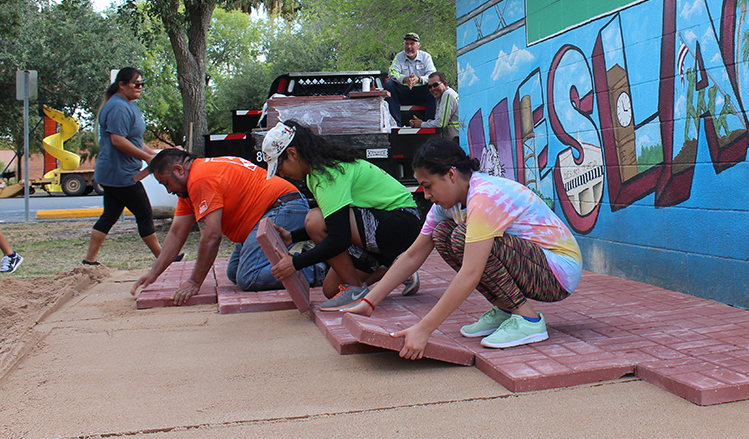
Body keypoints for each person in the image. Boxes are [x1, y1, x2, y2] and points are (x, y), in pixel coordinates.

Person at [344, 139, 583, 356]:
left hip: (557, 273)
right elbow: (412, 255)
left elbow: (471, 272)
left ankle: (528, 320)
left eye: (428, 186)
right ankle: (505, 309)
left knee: (461, 238)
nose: (426, 195)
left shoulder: (484, 196)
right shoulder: (447, 205)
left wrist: (423, 329)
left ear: (450, 175)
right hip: (533, 265)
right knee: (443, 234)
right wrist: (369, 302)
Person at [260, 121, 422, 308]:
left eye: (279, 167)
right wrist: (293, 236)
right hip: (382, 225)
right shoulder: (316, 174)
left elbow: (339, 238)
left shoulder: (328, 174)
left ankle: (355, 291)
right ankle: (399, 268)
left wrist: (296, 263)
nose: (281, 174)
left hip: (401, 222)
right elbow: (335, 220)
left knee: (313, 220)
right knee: (332, 290)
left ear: (292, 154)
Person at [129, 149, 324, 304]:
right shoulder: (189, 187)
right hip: (271, 211)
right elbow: (177, 232)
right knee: (235, 272)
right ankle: (302, 261)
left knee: (249, 277)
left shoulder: (200, 179)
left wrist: (195, 282)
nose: (169, 190)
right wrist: (154, 273)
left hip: (284, 208)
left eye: (166, 183)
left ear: (179, 170)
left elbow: (212, 236)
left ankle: (320, 267)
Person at [83, 68, 167, 266]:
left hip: (117, 173)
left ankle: (89, 260)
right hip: (120, 174)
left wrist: (153, 154)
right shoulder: (118, 108)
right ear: (121, 84)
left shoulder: (129, 105)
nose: (139, 88)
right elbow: (118, 141)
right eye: (135, 84)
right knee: (145, 213)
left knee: (110, 215)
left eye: (141, 84)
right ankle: (163, 259)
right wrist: (146, 157)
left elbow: (135, 140)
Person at [383, 32, 436, 124]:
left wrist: (419, 79)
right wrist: (405, 79)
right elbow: (392, 73)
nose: (409, 47)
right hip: (404, 92)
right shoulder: (399, 57)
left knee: (433, 86)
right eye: (407, 44)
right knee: (389, 85)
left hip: (421, 92)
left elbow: (432, 75)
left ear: (418, 46)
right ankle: (394, 123)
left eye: (412, 44)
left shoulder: (426, 57)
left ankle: (429, 122)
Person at [408, 72, 460, 141]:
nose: (433, 89)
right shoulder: (440, 97)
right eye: (429, 87)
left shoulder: (448, 94)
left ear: (445, 83)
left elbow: (440, 123)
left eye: (435, 85)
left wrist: (422, 124)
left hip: (457, 142)